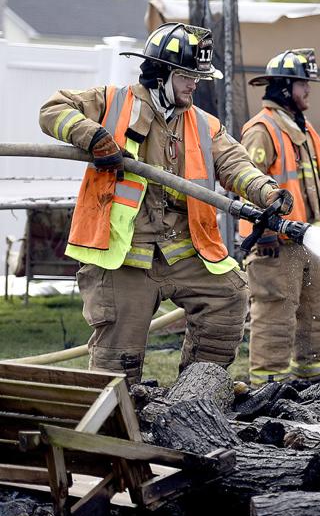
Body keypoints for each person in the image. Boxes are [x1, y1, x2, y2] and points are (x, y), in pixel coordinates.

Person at [39, 23, 290, 382]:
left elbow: (234, 164)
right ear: (160, 73)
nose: (194, 84)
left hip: (183, 251)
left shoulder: (204, 124)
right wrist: (92, 136)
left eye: (197, 77)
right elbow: (52, 110)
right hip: (123, 254)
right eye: (186, 76)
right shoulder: (112, 102)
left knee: (229, 299)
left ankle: (195, 392)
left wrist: (268, 192)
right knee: (118, 365)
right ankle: (118, 422)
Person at [240, 49, 320, 386]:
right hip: (276, 245)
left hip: (309, 239)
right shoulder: (261, 130)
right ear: (283, 87)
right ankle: (269, 384)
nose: (309, 89)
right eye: (302, 83)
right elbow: (245, 185)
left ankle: (312, 378)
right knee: (275, 314)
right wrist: (263, 233)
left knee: (316, 311)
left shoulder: (303, 129)